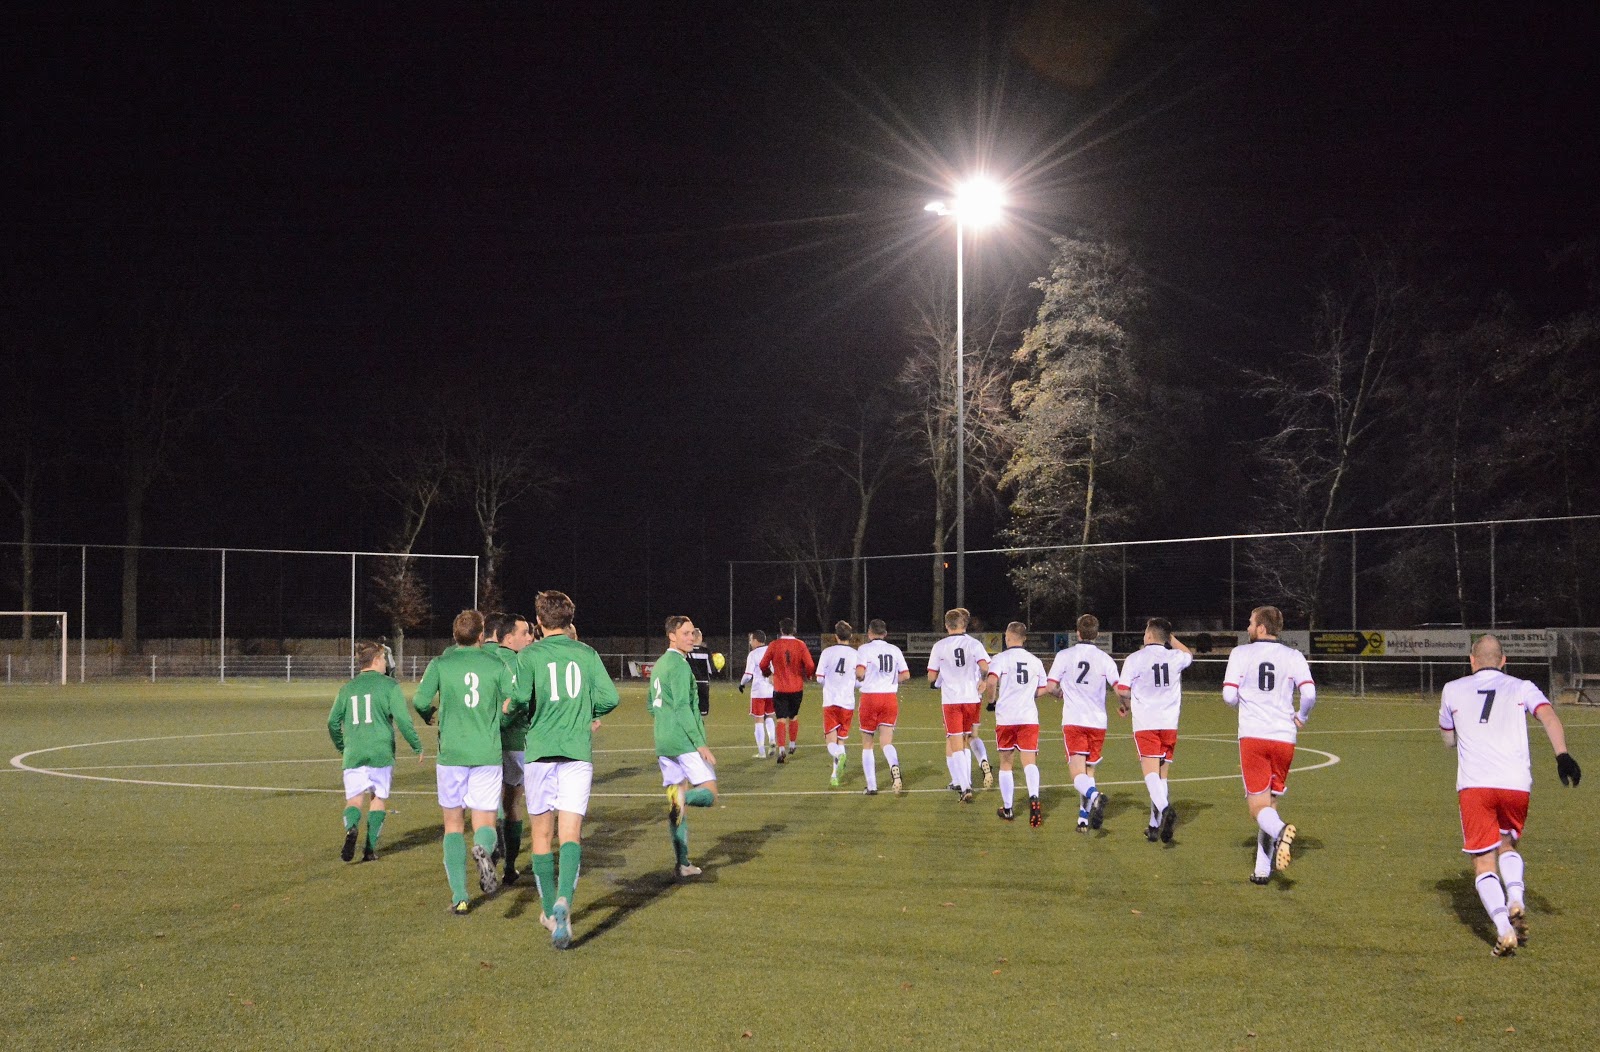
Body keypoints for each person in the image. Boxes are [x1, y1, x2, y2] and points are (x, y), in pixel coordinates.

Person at [1440, 633, 1582, 957]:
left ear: (1471, 661)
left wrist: (1462, 734)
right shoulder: (1522, 686)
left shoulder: (1452, 689)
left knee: (1483, 861)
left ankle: (1504, 930)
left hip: (1476, 785)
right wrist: (1562, 756)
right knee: (1507, 844)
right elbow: (1548, 716)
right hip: (1515, 784)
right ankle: (1515, 898)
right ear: (1504, 662)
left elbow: (1448, 740)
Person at [514, 590, 620, 950]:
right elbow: (610, 698)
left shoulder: (529, 656)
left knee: (541, 835)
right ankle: (564, 901)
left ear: (538, 622)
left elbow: (520, 700)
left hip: (540, 752)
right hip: (576, 753)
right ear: (569, 619)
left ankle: (549, 911)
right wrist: (589, 714)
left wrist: (515, 710)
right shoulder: (586, 654)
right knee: (570, 833)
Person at [413, 609, 516, 914]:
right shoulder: (496, 664)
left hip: (452, 755)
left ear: (455, 635)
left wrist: (430, 715)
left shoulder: (441, 664)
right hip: (486, 753)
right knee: (485, 821)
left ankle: (460, 897)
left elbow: (420, 701)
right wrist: (501, 721)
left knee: (453, 825)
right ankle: (483, 848)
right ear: (482, 635)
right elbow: (514, 700)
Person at [1222, 606, 1316, 884]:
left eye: (1251, 623)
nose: (1248, 627)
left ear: (1261, 628)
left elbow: (1229, 696)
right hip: (1284, 737)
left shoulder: (1241, 654)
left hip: (1254, 736)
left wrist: (1243, 701)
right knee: (1270, 803)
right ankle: (1262, 869)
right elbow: (1309, 693)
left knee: (1257, 808)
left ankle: (1281, 830)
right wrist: (1302, 716)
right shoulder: (1294, 656)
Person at [327, 639, 423, 862]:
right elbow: (403, 720)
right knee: (378, 798)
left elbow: (332, 722)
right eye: (384, 659)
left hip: (354, 753)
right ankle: (369, 850)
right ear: (377, 659)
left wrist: (343, 747)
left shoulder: (347, 688)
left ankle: (352, 828)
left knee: (354, 800)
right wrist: (416, 745)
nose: (386, 663)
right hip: (381, 752)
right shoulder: (389, 686)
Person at [1115, 617, 1193, 843]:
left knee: (1150, 773)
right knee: (1162, 775)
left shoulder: (1135, 659)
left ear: (1149, 635)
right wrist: (1170, 638)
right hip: (1169, 723)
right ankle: (1153, 826)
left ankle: (1166, 809)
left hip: (1146, 723)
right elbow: (1189, 654)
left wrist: (1127, 704)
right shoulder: (1175, 657)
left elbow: (1123, 689)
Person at [653, 616, 718, 878]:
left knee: (677, 808)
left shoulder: (659, 664)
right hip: (683, 741)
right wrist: (700, 743)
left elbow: (651, 704)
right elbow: (682, 707)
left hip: (663, 741)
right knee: (709, 793)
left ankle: (683, 863)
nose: (691, 638)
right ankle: (681, 797)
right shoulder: (679, 666)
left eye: (692, 633)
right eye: (686, 633)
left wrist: (665, 725)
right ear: (672, 636)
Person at [1046, 614, 1121, 832]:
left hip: (1074, 720)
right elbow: (1119, 688)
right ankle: (1083, 819)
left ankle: (1095, 796)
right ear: (1097, 634)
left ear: (1077, 633)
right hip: (1097, 722)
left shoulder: (1064, 655)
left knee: (1077, 773)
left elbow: (1050, 686)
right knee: (1089, 772)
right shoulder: (1105, 659)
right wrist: (1125, 705)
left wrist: (1059, 693)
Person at [483, 611, 534, 883]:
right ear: (507, 637)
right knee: (513, 803)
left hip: (483, 745)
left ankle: (490, 847)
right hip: (515, 743)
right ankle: (510, 867)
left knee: (487, 805)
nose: (529, 638)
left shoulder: (483, 659)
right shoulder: (522, 663)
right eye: (524, 633)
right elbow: (525, 701)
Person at [985, 622, 1050, 826]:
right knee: (1029, 761)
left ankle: (1008, 809)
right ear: (1024, 639)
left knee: (1006, 763)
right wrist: (1028, 694)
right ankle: (1034, 797)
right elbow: (1044, 688)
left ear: (1008, 637)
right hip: (1028, 717)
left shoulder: (1000, 659)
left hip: (1006, 717)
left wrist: (991, 701)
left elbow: (991, 681)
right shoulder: (1035, 661)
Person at [927, 607, 991, 803]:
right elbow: (985, 667)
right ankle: (967, 779)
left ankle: (965, 787)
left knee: (955, 743)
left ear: (947, 626)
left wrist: (937, 681)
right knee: (966, 739)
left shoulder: (939, 646)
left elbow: (931, 677)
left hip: (952, 700)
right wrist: (983, 681)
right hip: (972, 698)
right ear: (964, 625)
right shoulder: (974, 644)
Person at [855, 619, 910, 794]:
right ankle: (894, 765)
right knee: (886, 742)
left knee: (867, 743)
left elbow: (860, 673)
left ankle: (872, 786)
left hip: (870, 698)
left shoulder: (864, 649)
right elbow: (906, 675)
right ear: (885, 634)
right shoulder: (894, 650)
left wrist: (861, 678)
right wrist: (892, 680)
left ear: (869, 633)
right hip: (889, 698)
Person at [760, 617, 816, 761]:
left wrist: (769, 674)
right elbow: (810, 665)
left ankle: (781, 749)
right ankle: (792, 744)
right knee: (793, 716)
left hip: (780, 688)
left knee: (780, 719)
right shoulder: (800, 645)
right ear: (794, 630)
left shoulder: (774, 645)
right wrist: (808, 675)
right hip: (796, 688)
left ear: (781, 630)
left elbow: (763, 664)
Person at [815, 621, 859, 787]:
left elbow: (819, 678)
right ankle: (834, 775)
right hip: (847, 702)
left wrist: (830, 682)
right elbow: (859, 681)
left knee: (830, 740)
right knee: (841, 740)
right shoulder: (856, 655)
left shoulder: (827, 652)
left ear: (835, 636)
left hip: (830, 701)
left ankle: (839, 759)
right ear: (850, 636)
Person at [739, 630, 777, 758]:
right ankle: (772, 739)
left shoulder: (753, 654)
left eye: (751, 640)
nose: (750, 642)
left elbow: (748, 674)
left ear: (756, 640)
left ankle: (761, 752)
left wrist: (742, 683)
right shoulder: (771, 651)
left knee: (759, 719)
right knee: (769, 716)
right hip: (771, 690)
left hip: (758, 692)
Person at [687, 627, 715, 717]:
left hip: (689, 684)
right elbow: (711, 670)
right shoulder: (706, 652)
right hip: (703, 684)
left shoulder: (687, 652)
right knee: (702, 712)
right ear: (699, 637)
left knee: (690, 710)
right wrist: (717, 669)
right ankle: (699, 725)